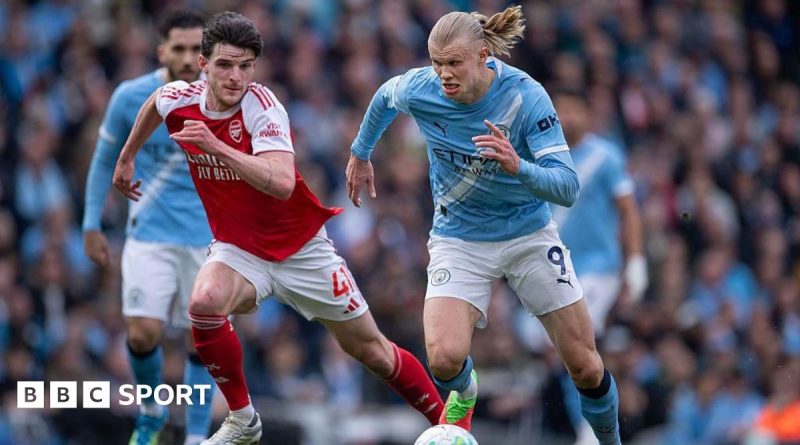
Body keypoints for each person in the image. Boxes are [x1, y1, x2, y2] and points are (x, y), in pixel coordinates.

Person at [112, 12, 444, 445]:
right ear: (203, 64)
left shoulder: (263, 107)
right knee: (205, 301)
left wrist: (214, 146)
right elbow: (155, 103)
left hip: (301, 250)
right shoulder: (180, 99)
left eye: (246, 66)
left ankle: (447, 424)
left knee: (371, 352)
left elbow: (283, 181)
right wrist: (126, 158)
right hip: (239, 247)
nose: (236, 77)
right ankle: (243, 418)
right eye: (226, 65)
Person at [346, 5, 621, 444]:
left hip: (528, 234)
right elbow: (384, 97)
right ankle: (466, 393)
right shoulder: (422, 87)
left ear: (483, 55)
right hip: (460, 237)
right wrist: (361, 153)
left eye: (454, 63)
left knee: (586, 366)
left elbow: (567, 187)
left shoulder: (525, 97)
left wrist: (519, 167)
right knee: (443, 358)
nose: (444, 75)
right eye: (437, 64)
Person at [82, 10, 216, 445]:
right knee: (142, 332)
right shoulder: (131, 96)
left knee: (202, 340)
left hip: (210, 240)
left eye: (197, 48)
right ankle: (152, 412)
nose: (187, 56)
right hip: (149, 233)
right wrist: (90, 223)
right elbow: (106, 158)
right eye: (178, 48)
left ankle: (196, 435)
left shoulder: (228, 97)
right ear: (162, 51)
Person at [528, 90, 648, 445]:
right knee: (567, 352)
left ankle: (590, 433)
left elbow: (628, 210)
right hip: (556, 269)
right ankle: (589, 426)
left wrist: (636, 261)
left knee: (577, 342)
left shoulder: (605, 156)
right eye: (559, 110)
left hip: (599, 268)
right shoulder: (543, 158)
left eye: (572, 108)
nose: (566, 116)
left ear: (586, 112)